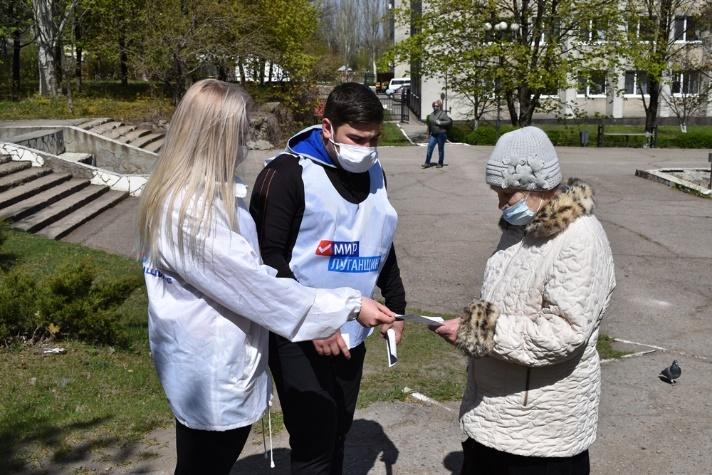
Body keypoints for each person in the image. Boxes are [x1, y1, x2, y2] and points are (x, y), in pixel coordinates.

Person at [136, 79, 395, 475]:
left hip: (217, 367)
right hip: (212, 375)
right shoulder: (189, 211)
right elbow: (255, 287)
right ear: (215, 136)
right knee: (204, 463)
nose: (245, 142)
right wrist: (348, 304)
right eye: (240, 132)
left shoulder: (208, 196)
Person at [431, 126, 616, 474]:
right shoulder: (521, 230)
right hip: (495, 418)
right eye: (497, 193)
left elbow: (565, 332)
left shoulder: (580, 238)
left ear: (540, 187)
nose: (501, 204)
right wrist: (470, 328)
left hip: (541, 436)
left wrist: (479, 331)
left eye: (508, 194)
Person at [250, 82, 406, 474]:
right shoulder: (285, 174)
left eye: (373, 140)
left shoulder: (374, 171)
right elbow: (268, 259)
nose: (366, 149)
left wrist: (397, 308)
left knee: (338, 430)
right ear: (327, 129)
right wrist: (313, 322)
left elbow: (380, 239)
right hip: (299, 335)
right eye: (356, 138)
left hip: (352, 329)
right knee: (313, 442)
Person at [422, 99, 452, 169]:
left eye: (437, 106)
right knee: (430, 147)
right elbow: (430, 125)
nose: (435, 107)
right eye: (434, 106)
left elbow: (449, 121)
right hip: (433, 134)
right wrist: (428, 134)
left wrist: (441, 123)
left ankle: (440, 163)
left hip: (441, 134)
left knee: (440, 149)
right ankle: (427, 163)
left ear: (439, 106)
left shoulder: (443, 114)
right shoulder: (431, 115)